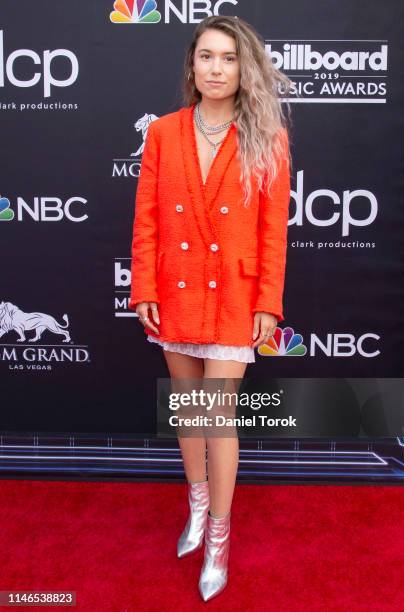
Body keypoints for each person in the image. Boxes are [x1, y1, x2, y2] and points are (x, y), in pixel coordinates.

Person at [129, 15, 292, 602]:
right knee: (189, 413)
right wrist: (143, 285)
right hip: (174, 290)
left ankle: (218, 537)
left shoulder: (266, 136)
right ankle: (196, 503)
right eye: (206, 56)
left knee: (217, 418)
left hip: (234, 296)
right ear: (191, 65)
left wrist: (268, 301)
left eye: (228, 58)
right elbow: (146, 218)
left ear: (243, 68)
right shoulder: (164, 133)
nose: (216, 68)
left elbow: (275, 231)